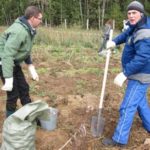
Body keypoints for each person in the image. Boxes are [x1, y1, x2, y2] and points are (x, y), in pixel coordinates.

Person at [102, 1, 150, 146]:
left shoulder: (145, 32)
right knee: (140, 102)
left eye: (134, 13)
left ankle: (119, 140)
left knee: (127, 106)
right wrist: (114, 42)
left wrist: (125, 73)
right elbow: (126, 34)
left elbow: (143, 57)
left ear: (141, 13)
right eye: (129, 13)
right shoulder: (136, 26)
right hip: (136, 73)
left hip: (140, 75)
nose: (131, 15)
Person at [0, 6, 42, 117]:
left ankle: (29, 115)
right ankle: (10, 121)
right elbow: (7, 55)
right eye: (40, 18)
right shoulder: (19, 31)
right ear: (32, 18)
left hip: (13, 62)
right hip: (4, 63)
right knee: (13, 93)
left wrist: (31, 67)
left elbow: (24, 49)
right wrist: (8, 78)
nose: (41, 21)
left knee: (24, 88)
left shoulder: (29, 29)